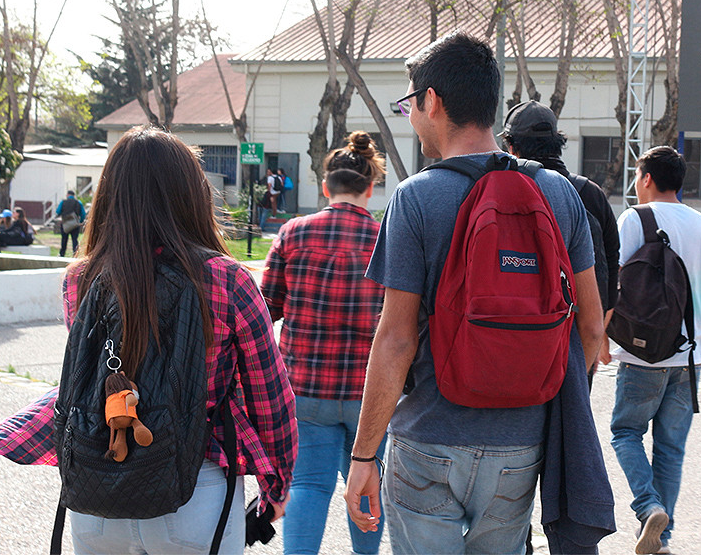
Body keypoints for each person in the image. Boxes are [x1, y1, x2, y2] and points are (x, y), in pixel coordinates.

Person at [342, 32, 614, 554]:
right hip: (521, 447)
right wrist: (533, 392)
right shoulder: (558, 192)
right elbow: (593, 326)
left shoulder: (416, 198)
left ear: (432, 101)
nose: (412, 117)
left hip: (428, 442)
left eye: (409, 104)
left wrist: (362, 459)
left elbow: (396, 341)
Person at [0, 126, 298, 554]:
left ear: (109, 195)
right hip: (196, 491)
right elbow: (270, 396)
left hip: (97, 489)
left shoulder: (82, 279)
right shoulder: (227, 279)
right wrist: (277, 485)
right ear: (190, 193)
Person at [261, 131, 387, 555]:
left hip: (306, 389)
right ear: (371, 187)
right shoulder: (387, 239)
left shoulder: (294, 233)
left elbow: (267, 309)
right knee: (367, 485)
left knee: (308, 486)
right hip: (371, 393)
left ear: (324, 186)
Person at [604, 145, 701, 555]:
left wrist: (601, 337)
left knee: (625, 432)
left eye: (637, 176)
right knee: (671, 449)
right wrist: (695, 342)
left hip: (642, 354)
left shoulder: (635, 218)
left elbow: (611, 283)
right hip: (690, 358)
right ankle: (661, 539)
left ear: (647, 178)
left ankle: (648, 506)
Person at [499, 100, 620, 390]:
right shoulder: (590, 194)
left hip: (518, 338)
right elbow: (612, 276)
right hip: (578, 343)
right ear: (558, 144)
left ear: (511, 147)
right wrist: (592, 345)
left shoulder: (502, 190)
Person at [56, 189, 86, 257]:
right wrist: (80, 221)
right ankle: (75, 254)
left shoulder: (63, 202)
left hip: (65, 224)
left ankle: (62, 254)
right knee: (75, 240)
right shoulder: (78, 202)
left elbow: (58, 211)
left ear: (67, 195)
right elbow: (83, 214)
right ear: (74, 195)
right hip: (75, 224)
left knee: (64, 239)